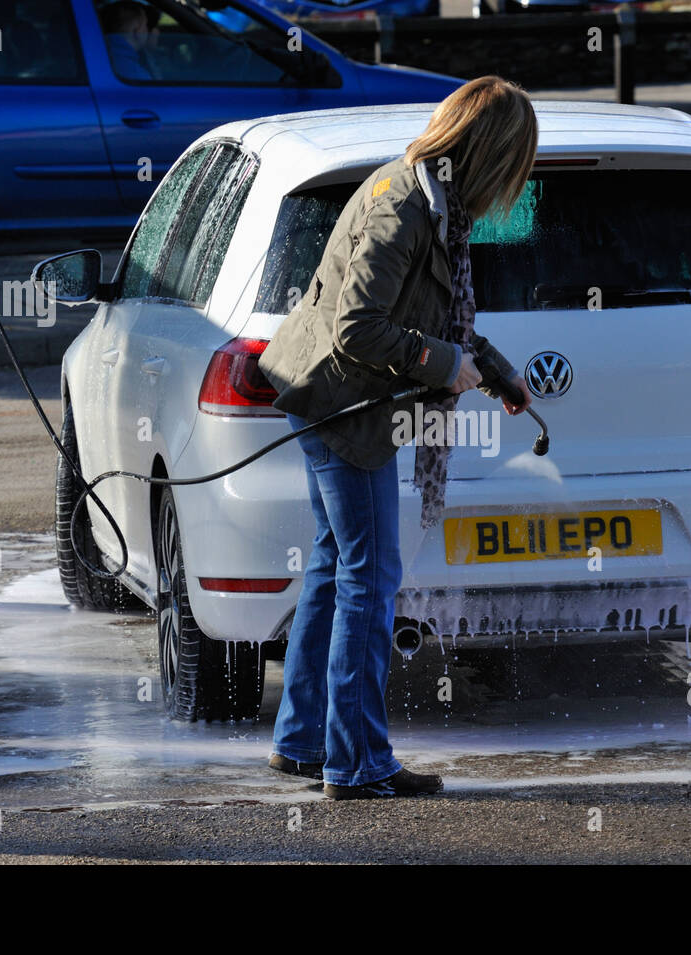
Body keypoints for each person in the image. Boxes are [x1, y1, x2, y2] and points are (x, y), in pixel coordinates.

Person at [258, 76, 537, 800]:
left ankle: (301, 737)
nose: (513, 184)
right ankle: (356, 764)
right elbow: (359, 327)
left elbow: (442, 318)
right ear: (487, 153)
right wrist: (444, 364)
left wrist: (497, 374)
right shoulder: (404, 208)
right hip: (340, 409)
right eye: (513, 166)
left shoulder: (432, 202)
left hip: (336, 400)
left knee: (336, 565)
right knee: (370, 579)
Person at [100, 1, 157, 81]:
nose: (148, 31)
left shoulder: (101, 55)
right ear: (137, 30)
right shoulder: (135, 74)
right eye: (146, 25)